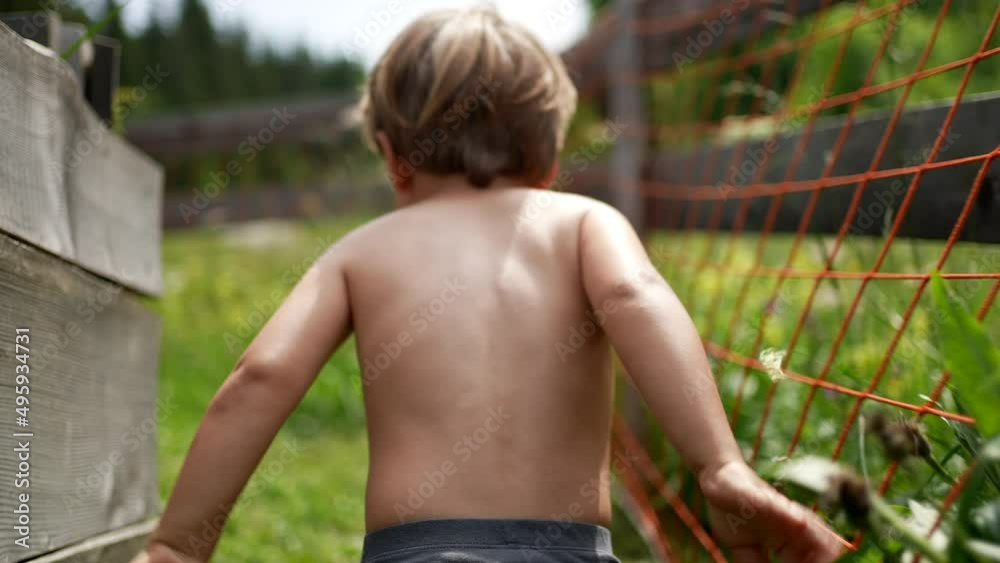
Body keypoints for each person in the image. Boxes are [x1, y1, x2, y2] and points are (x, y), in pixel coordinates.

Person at [134, 6, 844, 563]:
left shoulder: (359, 251)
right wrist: (719, 465)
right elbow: (637, 299)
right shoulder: (583, 222)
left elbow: (258, 376)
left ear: (389, 154)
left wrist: (177, 544)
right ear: (549, 151)